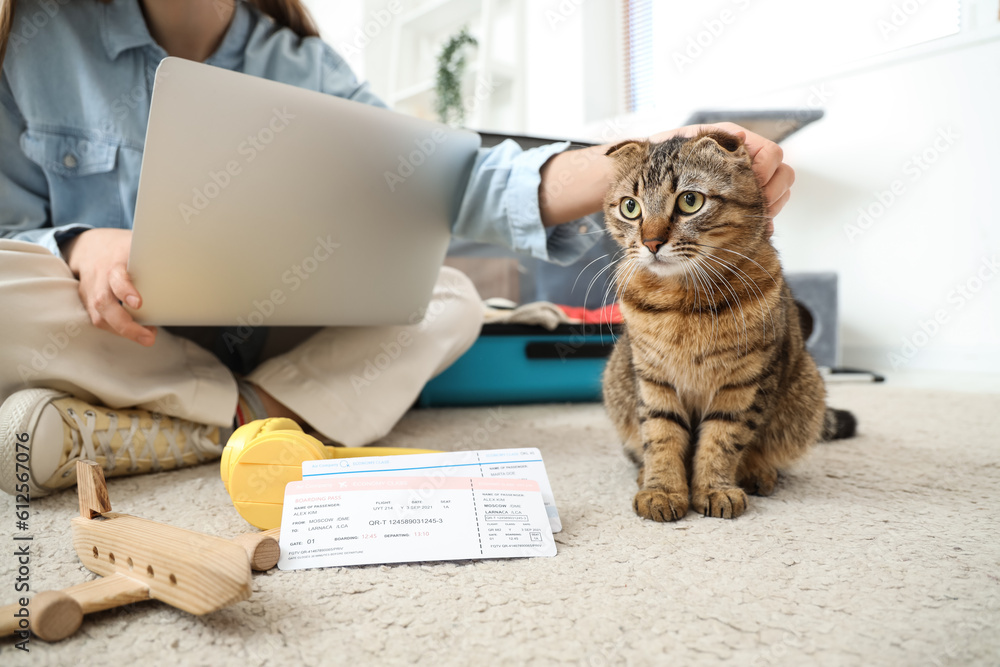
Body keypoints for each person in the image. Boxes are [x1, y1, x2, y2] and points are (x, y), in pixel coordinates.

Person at [0, 0, 794, 497]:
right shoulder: (38, 33)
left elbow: (454, 181)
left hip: (272, 329)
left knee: (446, 295)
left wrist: (658, 148)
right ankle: (260, 415)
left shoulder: (306, 67)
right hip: (114, 328)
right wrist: (75, 239)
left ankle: (190, 423)